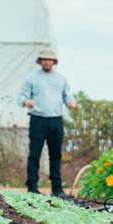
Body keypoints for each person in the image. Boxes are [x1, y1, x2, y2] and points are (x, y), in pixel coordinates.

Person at [17, 48, 76, 198]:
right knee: (34, 154)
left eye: (49, 59)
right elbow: (21, 98)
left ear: (54, 62)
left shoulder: (61, 79)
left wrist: (70, 101)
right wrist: (26, 101)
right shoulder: (31, 78)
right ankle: (32, 187)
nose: (47, 62)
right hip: (38, 120)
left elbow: (67, 95)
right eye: (44, 59)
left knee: (55, 156)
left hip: (56, 120)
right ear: (40, 61)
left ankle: (57, 189)